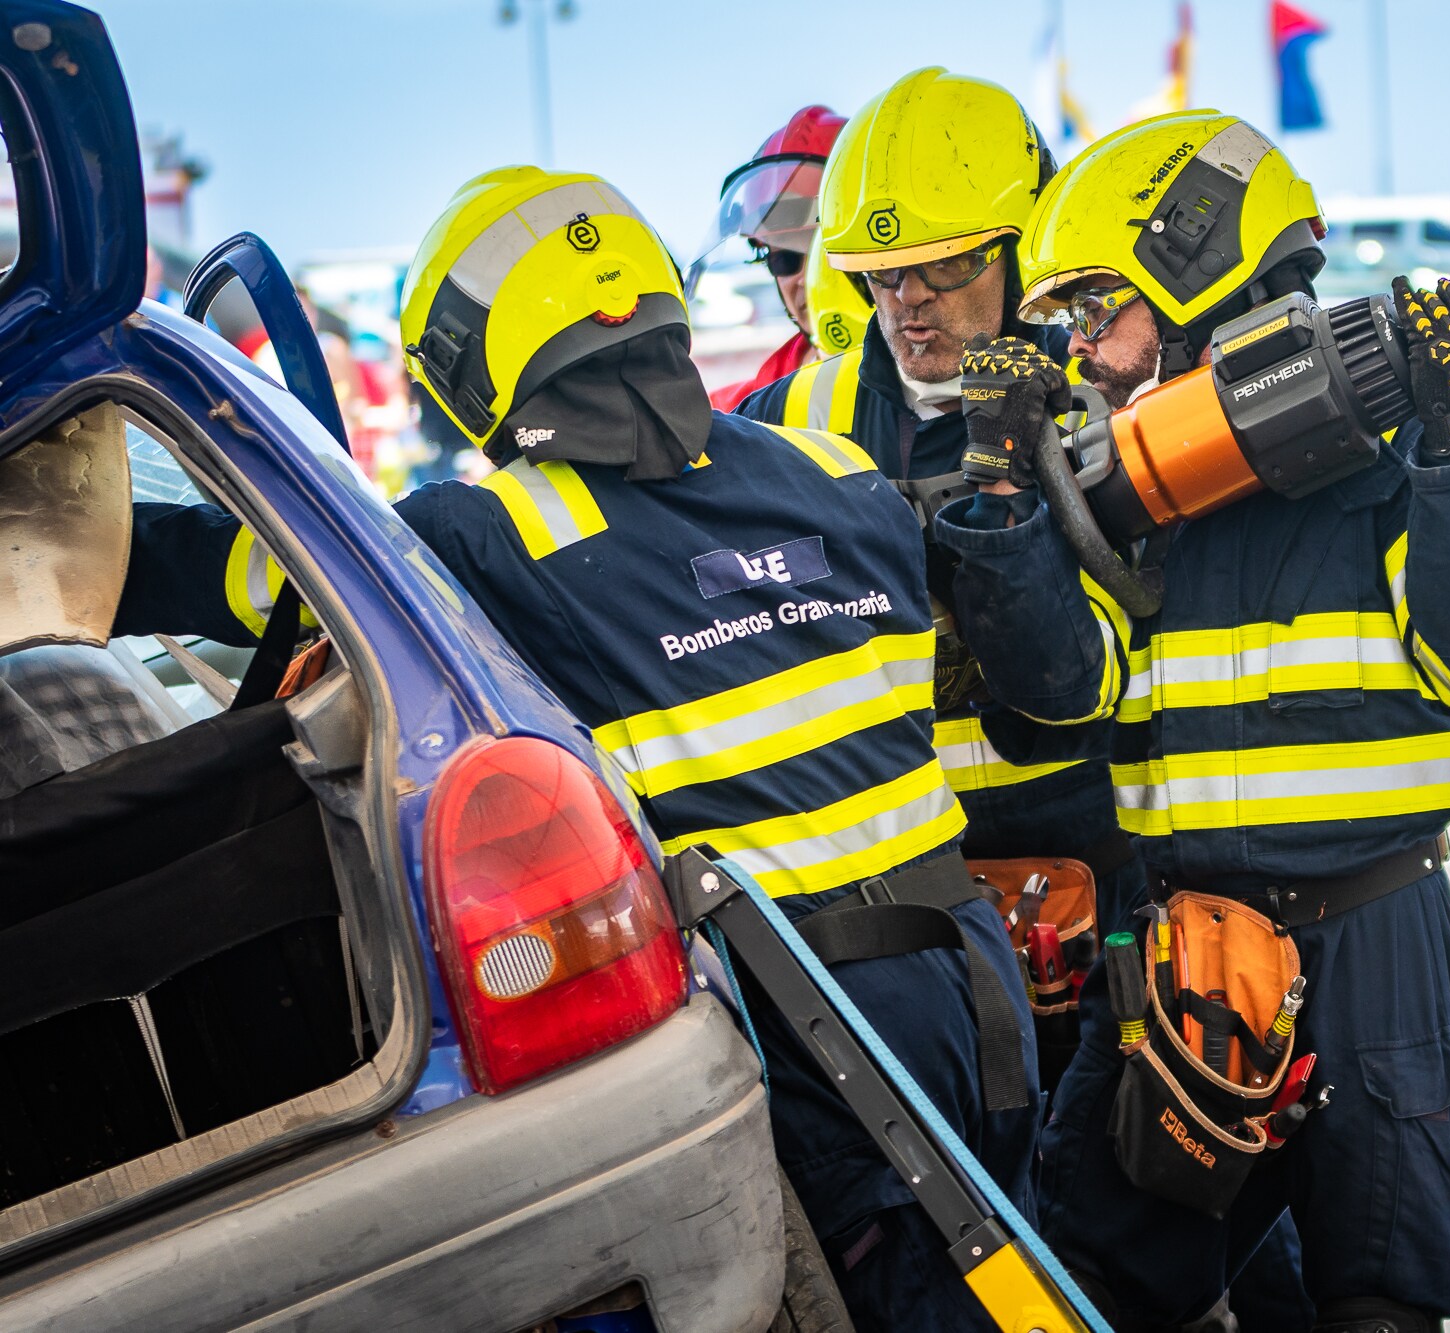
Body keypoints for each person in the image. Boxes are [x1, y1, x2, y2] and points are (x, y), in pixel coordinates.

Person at [110, 166, 1037, 1333]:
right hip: (972, 986)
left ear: (474, 357)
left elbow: (237, 569)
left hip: (816, 1027)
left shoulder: (483, 529)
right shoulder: (840, 475)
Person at [933, 112, 1450, 1333]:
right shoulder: (1114, 484)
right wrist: (1003, 494)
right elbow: (1060, 691)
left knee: (1386, 1289)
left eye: (1093, 309)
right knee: (1095, 1274)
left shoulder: (1391, 451)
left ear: (1194, 259)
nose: (1078, 351)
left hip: (1376, 934)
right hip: (1181, 943)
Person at [737, 72, 1146, 1092]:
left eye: (942, 266)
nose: (907, 302)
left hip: (1082, 842)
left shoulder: (1098, 395)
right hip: (894, 877)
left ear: (1019, 247)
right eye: (880, 277)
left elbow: (1083, 674)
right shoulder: (793, 415)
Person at [694, 105, 847, 412]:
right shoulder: (739, 412)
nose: (806, 278)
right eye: (786, 259)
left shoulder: (954, 384)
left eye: (825, 252)